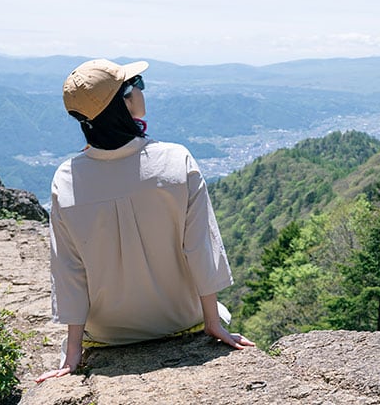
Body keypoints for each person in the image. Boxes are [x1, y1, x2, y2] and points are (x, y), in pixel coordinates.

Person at [37, 58, 253, 383]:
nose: (140, 89)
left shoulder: (67, 179)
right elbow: (199, 247)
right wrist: (213, 323)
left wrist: (73, 352)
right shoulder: (176, 161)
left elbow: (69, 270)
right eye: (136, 84)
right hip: (181, 319)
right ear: (124, 102)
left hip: (106, 333)